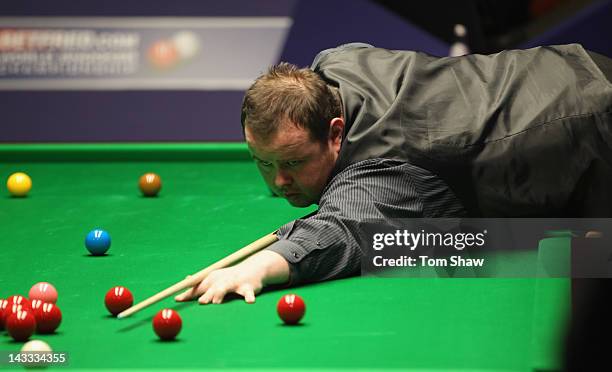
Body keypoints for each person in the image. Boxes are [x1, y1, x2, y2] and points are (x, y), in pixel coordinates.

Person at [175, 43, 612, 305]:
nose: (278, 182)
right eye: (263, 162)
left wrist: (262, 267)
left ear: (335, 132)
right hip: (572, 66)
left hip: (593, 128)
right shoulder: (335, 68)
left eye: (292, 163)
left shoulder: (383, 164)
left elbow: (343, 227)